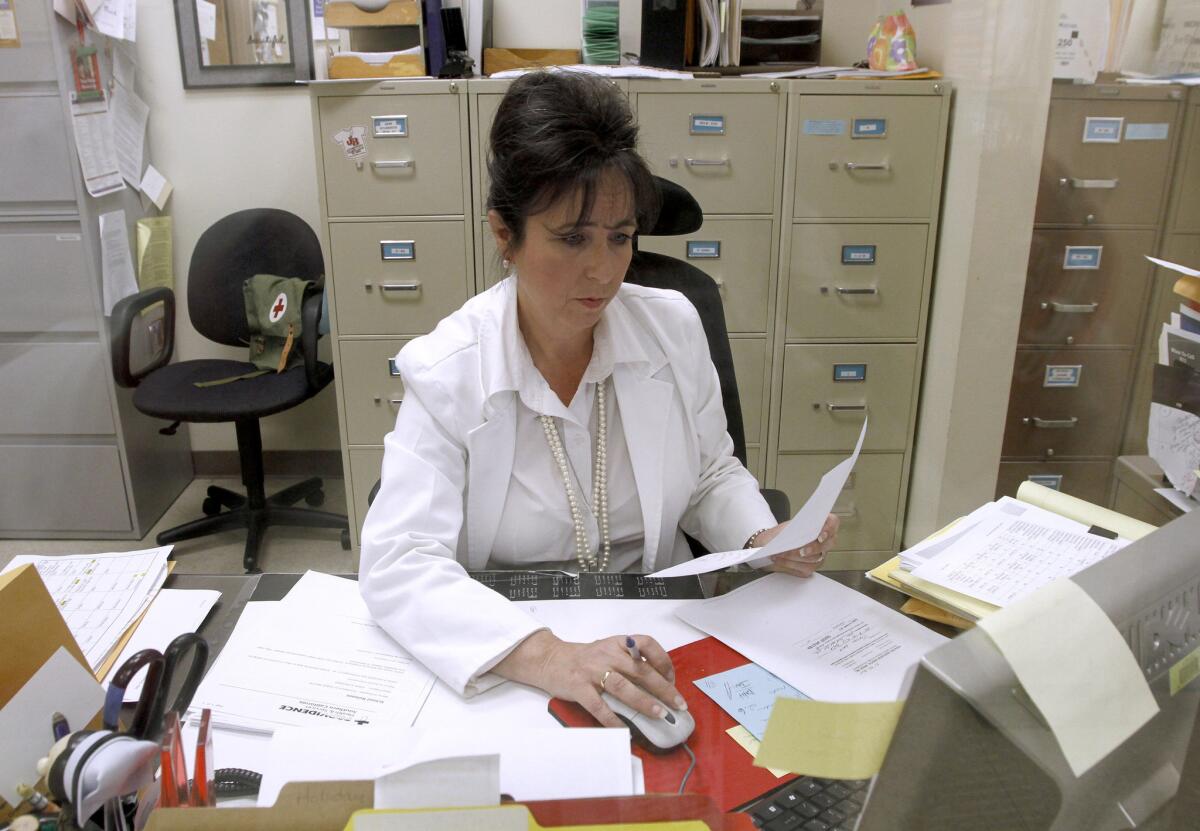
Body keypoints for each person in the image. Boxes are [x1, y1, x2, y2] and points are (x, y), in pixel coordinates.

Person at [359, 70, 839, 729]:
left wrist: (763, 537)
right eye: (572, 237)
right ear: (505, 233)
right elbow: (398, 559)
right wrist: (553, 657)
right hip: (514, 651)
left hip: (660, 638)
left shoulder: (671, 326)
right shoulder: (449, 370)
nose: (605, 269)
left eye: (620, 236)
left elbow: (709, 474)